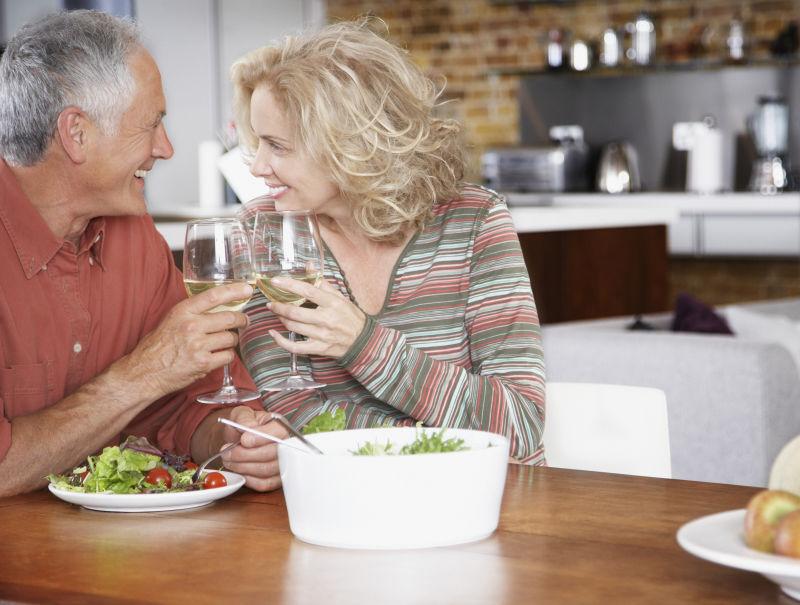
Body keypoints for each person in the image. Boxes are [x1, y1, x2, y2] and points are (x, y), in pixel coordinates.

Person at [0, 10, 287, 498]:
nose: (167, 148)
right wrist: (141, 373)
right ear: (77, 134)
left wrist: (234, 435)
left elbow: (182, 409)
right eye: (152, 124)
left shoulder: (136, 239)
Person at [232, 20, 546, 462]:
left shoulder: (473, 221)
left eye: (278, 146)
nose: (258, 167)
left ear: (350, 143)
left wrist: (361, 343)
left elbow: (520, 426)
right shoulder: (262, 232)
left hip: (486, 505)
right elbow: (292, 415)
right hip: (343, 507)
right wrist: (439, 441)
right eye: (257, 143)